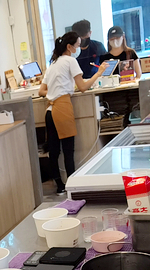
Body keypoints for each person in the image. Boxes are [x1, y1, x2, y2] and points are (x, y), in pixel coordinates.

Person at [40, 33, 108, 193]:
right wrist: (99, 73)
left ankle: (60, 186)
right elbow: (83, 87)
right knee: (69, 150)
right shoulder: (70, 61)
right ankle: (72, 185)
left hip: (50, 111)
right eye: (77, 46)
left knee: (54, 151)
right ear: (69, 47)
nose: (78, 48)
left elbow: (41, 91)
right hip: (62, 108)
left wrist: (57, 89)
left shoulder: (52, 65)